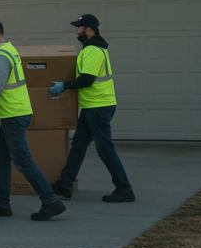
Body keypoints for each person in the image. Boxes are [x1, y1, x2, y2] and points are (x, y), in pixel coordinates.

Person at [0, 18, 67, 221]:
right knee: (1, 159)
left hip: (14, 115)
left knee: (22, 161)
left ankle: (50, 201)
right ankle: (1, 205)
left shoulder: (2, 55)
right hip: (13, 114)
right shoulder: (10, 49)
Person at [48, 14, 135, 202]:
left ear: (89, 29)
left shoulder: (93, 51)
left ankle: (125, 189)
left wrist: (64, 85)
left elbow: (86, 80)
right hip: (91, 106)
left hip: (99, 106)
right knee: (78, 145)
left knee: (105, 149)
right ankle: (65, 185)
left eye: (79, 27)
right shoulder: (90, 49)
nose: (77, 31)